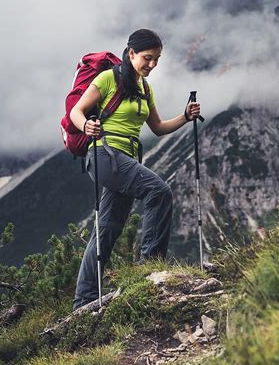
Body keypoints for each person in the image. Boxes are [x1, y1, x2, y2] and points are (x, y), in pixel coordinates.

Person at [70, 28, 201, 310]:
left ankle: (84, 299)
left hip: (125, 159)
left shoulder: (144, 88)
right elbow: (76, 112)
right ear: (131, 54)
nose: (152, 64)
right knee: (159, 192)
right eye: (147, 58)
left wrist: (185, 117)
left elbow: (158, 127)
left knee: (107, 228)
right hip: (105, 155)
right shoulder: (108, 78)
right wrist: (87, 125)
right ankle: (149, 270)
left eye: (156, 59)